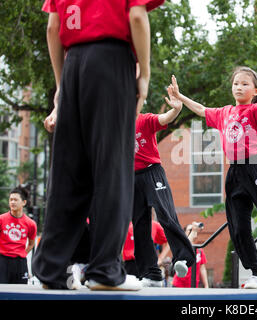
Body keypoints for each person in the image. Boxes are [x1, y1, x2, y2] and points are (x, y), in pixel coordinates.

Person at [32, 0, 165, 291]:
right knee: (113, 167)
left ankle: (51, 269)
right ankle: (104, 271)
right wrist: (145, 75)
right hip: (112, 61)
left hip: (73, 64)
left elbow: (53, 27)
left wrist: (61, 86)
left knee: (69, 171)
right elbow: (138, 17)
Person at [168, 63, 257, 289]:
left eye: (245, 84)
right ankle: (256, 272)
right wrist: (180, 96)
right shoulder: (224, 113)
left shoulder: (255, 110)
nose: (239, 87)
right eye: (236, 83)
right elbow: (201, 110)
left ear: (255, 91)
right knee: (238, 225)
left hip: (255, 166)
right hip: (235, 172)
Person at [132, 84, 195, 287]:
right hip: (131, 177)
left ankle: (183, 257)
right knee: (139, 224)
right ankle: (151, 273)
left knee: (165, 213)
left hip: (152, 172)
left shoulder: (145, 119)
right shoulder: (114, 124)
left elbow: (164, 119)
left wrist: (176, 109)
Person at [0, 187, 37, 284]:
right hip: (2, 261)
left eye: (15, 200)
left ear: (24, 202)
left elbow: (31, 243)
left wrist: (22, 253)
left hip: (20, 263)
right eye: (11, 199)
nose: (12, 202)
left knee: (21, 291)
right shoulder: (1, 219)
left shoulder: (31, 223)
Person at [172, 222, 208, 288]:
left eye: (194, 230)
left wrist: (206, 285)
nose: (193, 231)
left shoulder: (199, 250)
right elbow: (187, 242)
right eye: (190, 230)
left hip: (193, 285)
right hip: (178, 285)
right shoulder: (181, 247)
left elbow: (202, 268)